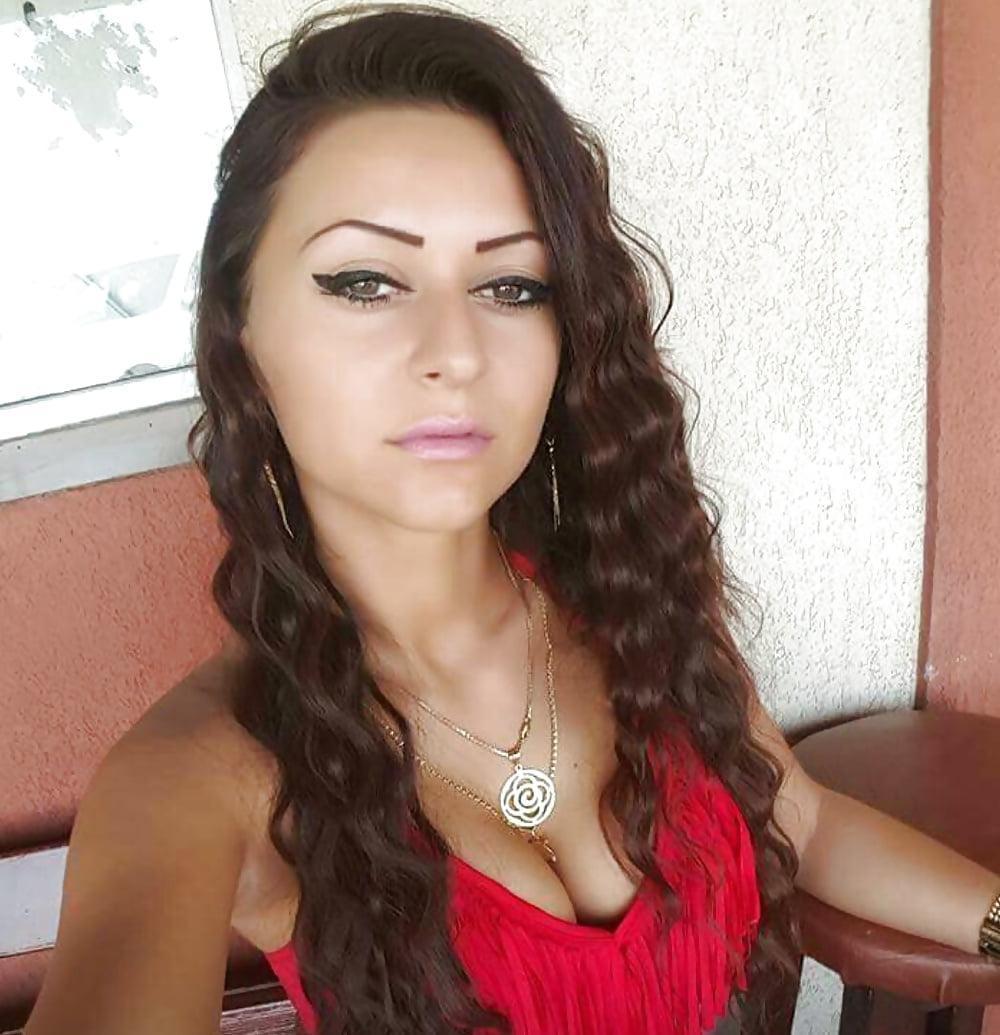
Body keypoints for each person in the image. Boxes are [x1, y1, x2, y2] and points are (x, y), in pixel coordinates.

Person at [24, 4, 1000, 1035]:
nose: (455, 351)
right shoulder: (203, 775)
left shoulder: (631, 596)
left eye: (511, 284)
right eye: (365, 281)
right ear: (242, 332)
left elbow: (805, 821)